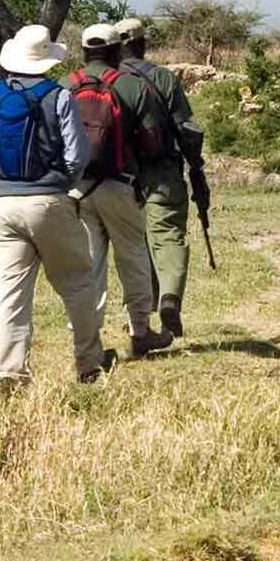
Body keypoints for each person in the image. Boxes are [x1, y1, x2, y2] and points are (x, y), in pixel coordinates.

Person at [0, 24, 111, 387]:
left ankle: (10, 371)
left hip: (2, 204)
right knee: (77, 281)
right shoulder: (60, 96)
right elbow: (76, 155)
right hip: (49, 199)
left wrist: (1, 177)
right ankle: (89, 362)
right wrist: (62, 183)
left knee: (10, 290)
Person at [68, 23, 175, 357]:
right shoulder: (131, 85)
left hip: (77, 189)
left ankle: (86, 339)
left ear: (84, 52)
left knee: (88, 263)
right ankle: (140, 331)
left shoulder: (64, 86)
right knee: (133, 256)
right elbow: (152, 141)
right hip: (120, 184)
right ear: (117, 51)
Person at [116, 17, 207, 339]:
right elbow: (187, 128)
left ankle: (138, 317)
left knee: (132, 246)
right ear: (142, 44)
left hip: (118, 177)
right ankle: (169, 298)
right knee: (168, 236)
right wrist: (195, 166)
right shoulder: (163, 78)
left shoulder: (108, 80)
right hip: (163, 171)